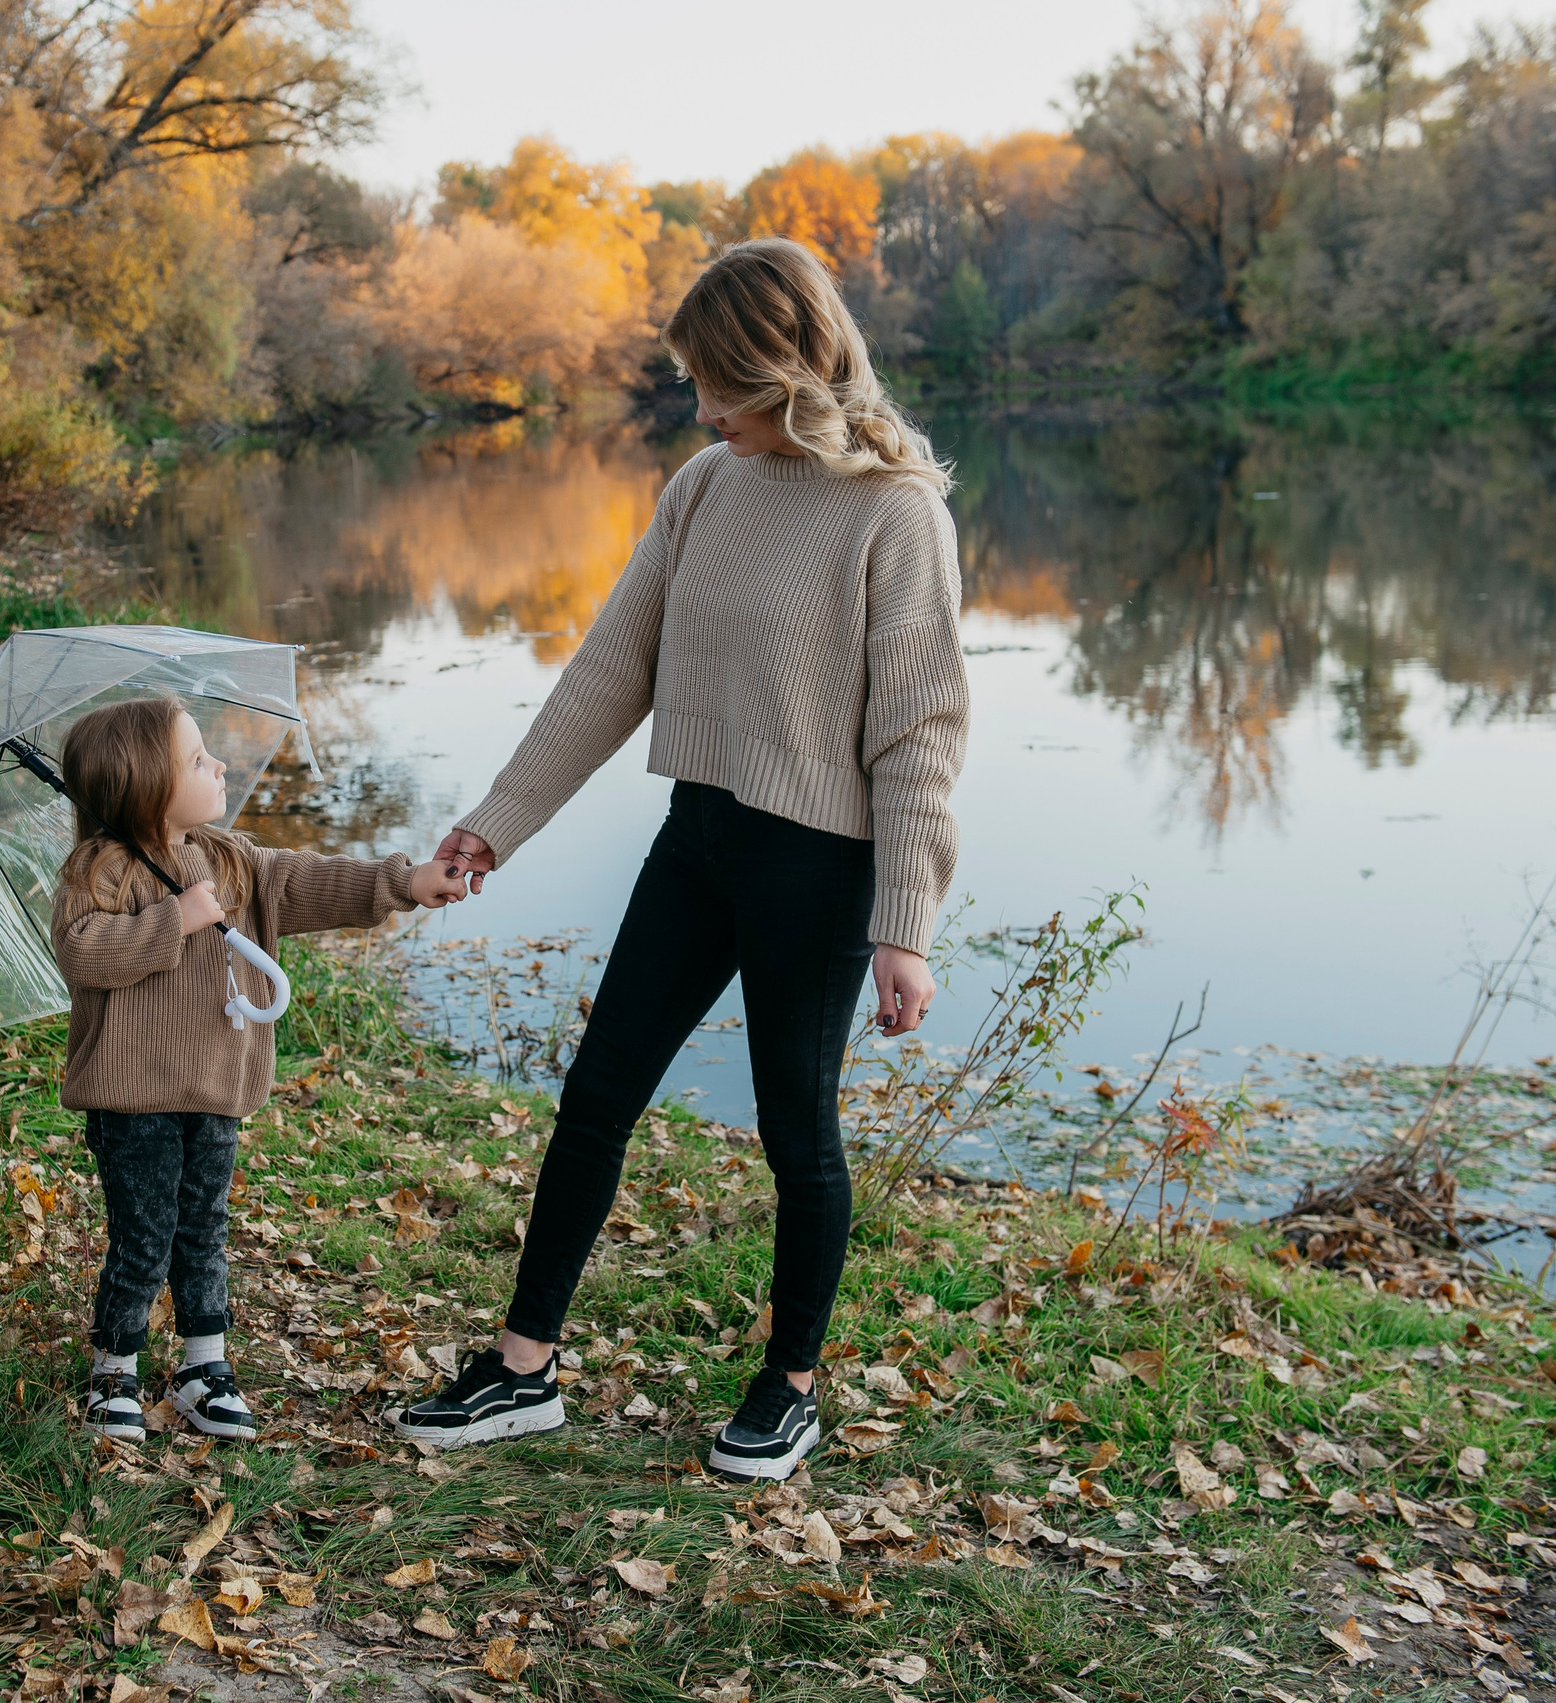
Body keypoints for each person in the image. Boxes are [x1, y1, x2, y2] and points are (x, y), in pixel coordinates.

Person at [392, 238, 970, 1482]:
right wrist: (499, 817)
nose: (700, 404)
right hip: (697, 834)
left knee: (793, 1127)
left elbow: (920, 732)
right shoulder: (705, 485)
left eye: (720, 379)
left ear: (789, 365)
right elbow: (612, 667)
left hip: (819, 864)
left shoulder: (894, 510)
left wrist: (905, 923)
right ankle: (522, 1367)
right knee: (597, 1093)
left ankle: (790, 1385)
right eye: (695, 379)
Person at [52, 695, 467, 1440]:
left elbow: (309, 881)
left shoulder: (229, 859)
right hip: (132, 1098)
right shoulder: (102, 872)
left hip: (214, 1090)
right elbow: (83, 952)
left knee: (203, 1228)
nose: (217, 765)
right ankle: (113, 1369)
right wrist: (171, 921)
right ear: (146, 783)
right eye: (196, 758)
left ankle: (202, 1368)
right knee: (143, 1232)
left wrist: (404, 881)